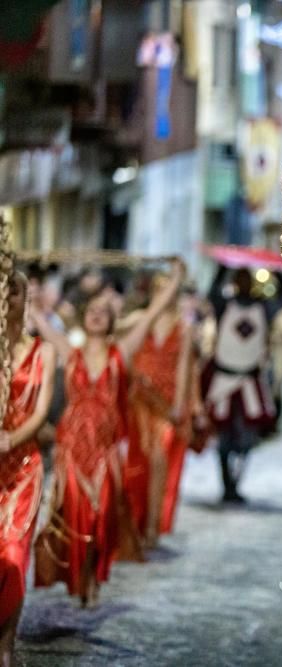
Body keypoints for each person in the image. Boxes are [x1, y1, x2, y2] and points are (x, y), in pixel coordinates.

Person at [32, 259, 184, 606]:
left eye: (104, 311)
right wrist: (32, 293)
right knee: (74, 515)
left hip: (104, 450)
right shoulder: (69, 352)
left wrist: (175, 280)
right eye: (92, 311)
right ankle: (79, 578)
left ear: (112, 319)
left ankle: (93, 575)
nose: (98, 315)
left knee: (101, 515)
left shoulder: (122, 354)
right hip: (71, 446)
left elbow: (150, 314)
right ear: (84, 318)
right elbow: (40, 319)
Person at [0, 272, 55, 664]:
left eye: (13, 291)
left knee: (16, 556)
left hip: (23, 467)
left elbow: (40, 412)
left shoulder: (43, 351)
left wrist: (11, 440)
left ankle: (6, 642)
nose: (7, 298)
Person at [122, 271, 196, 548]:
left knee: (159, 457)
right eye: (159, 288)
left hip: (166, 403)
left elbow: (184, 367)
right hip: (141, 399)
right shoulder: (140, 321)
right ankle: (137, 522)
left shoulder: (184, 327)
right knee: (140, 460)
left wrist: (179, 404)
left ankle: (153, 524)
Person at [203, 267, 277, 504]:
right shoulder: (225, 306)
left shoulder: (263, 307)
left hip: (249, 381)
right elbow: (212, 294)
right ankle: (227, 484)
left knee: (246, 440)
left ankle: (235, 482)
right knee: (224, 439)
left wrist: (276, 270)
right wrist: (223, 267)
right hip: (225, 379)